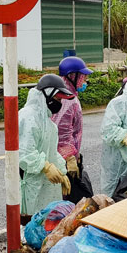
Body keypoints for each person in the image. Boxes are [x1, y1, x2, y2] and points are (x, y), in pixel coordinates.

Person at [20, 74, 74, 216]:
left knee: (45, 224)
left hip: (44, 186)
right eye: (57, 99)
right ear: (46, 95)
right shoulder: (27, 116)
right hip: (31, 184)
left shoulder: (49, 123)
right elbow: (24, 152)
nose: (59, 103)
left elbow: (51, 150)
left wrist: (61, 172)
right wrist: (45, 166)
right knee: (28, 226)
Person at [53, 56, 93, 202]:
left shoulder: (68, 96)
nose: (84, 81)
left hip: (66, 158)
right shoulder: (67, 100)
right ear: (72, 76)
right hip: (62, 160)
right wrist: (69, 157)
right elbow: (62, 132)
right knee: (65, 200)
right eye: (82, 77)